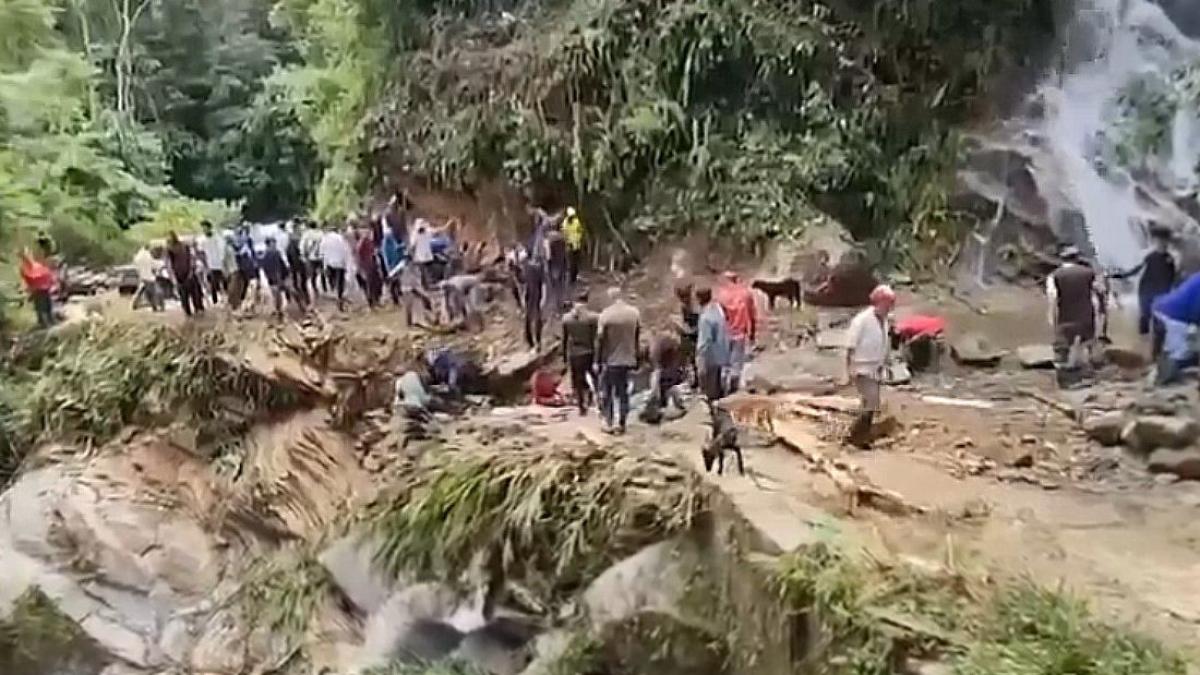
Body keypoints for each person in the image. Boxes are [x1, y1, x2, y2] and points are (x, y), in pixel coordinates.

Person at [1112, 228, 1178, 358]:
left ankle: (1155, 354)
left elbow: (1173, 278)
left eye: (1163, 241)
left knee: (1159, 323)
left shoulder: (1169, 259)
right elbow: (1136, 270)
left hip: (1161, 293)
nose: (1161, 244)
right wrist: (1119, 276)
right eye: (1159, 241)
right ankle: (1141, 351)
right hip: (1147, 291)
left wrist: (1172, 293)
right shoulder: (1151, 257)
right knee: (1145, 319)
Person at [843, 285, 895, 449]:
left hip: (875, 367)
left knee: (870, 403)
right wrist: (849, 368)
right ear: (878, 303)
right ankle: (853, 436)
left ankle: (861, 437)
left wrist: (886, 364)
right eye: (887, 305)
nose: (888, 308)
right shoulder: (862, 320)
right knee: (872, 402)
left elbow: (883, 344)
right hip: (862, 367)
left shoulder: (884, 321)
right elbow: (850, 345)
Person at [1046, 247, 1103, 369]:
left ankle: (1065, 377)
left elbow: (1053, 299)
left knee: (1062, 349)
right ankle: (1088, 372)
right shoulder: (1089, 273)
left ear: (1061, 259)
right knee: (1087, 345)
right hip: (1086, 317)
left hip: (1065, 318)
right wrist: (1101, 313)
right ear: (1077, 258)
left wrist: (1052, 317)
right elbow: (1099, 292)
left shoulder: (1054, 276)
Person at [596, 287, 641, 434]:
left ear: (610, 298)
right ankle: (622, 423)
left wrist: (598, 360)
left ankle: (609, 421)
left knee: (607, 391)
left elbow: (600, 340)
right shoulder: (634, 313)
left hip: (611, 360)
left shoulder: (606, 315)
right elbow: (637, 337)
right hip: (628, 359)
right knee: (623, 392)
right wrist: (637, 356)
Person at [1152, 271, 1200, 384]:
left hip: (1166, 310)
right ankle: (1162, 380)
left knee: (1186, 349)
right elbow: (1196, 309)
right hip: (1173, 316)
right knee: (1180, 352)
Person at [716, 271, 757, 393]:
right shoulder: (746, 294)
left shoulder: (721, 295)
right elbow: (752, 314)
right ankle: (733, 392)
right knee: (737, 366)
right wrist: (752, 333)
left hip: (724, 334)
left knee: (724, 365)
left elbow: (719, 316)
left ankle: (722, 392)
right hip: (740, 333)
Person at [561, 290, 599, 415]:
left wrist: (564, 357)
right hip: (589, 351)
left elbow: (565, 339)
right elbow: (596, 338)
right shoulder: (592, 317)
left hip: (574, 353)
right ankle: (599, 400)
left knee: (577, 380)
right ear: (586, 301)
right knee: (594, 378)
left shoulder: (566, 318)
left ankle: (581, 406)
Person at [695, 286, 730, 403]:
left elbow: (704, 342)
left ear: (699, 299)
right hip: (722, 353)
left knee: (710, 392)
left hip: (710, 359)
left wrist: (699, 360)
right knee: (719, 387)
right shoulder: (718, 309)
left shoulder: (705, 318)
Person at [166, 231, 204, 317]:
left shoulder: (184, 246)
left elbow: (191, 258)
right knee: (186, 298)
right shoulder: (170, 250)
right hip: (180, 276)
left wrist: (191, 270)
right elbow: (169, 264)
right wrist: (173, 278)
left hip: (187, 274)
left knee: (195, 296)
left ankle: (197, 312)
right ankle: (191, 314)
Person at [20, 249, 56, 328]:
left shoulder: (37, 266)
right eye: (26, 256)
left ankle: (50, 322)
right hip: (38, 291)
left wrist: (51, 282)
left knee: (48, 307)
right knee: (41, 308)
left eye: (28, 255)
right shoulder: (25, 268)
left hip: (44, 289)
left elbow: (47, 274)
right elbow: (27, 278)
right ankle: (44, 324)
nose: (28, 257)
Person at [320, 224, 351, 310]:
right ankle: (339, 296)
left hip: (330, 264)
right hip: (340, 263)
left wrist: (324, 265)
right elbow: (346, 251)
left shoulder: (325, 239)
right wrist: (346, 263)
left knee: (333, 281)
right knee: (340, 282)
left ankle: (336, 293)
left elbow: (322, 253)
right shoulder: (340, 238)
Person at [674, 282, 699, 385]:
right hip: (692, 334)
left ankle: (693, 379)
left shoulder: (691, 308)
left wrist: (682, 329)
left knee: (692, 358)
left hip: (693, 336)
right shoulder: (687, 306)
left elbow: (693, 325)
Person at [197, 220, 226, 304]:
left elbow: (222, 250)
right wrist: (204, 263)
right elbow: (200, 253)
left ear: (210, 228)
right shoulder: (202, 240)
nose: (205, 230)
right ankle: (215, 300)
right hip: (210, 265)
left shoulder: (217, 238)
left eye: (206, 228)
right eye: (203, 229)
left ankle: (225, 298)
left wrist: (222, 261)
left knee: (224, 282)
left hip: (220, 264)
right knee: (213, 283)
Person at [522, 254, 546, 350]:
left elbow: (542, 285)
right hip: (533, 297)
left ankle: (534, 342)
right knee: (533, 320)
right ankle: (534, 342)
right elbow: (525, 284)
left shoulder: (532, 269)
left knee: (533, 320)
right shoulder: (533, 269)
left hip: (534, 297)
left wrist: (543, 298)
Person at [381, 218, 407, 306]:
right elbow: (391, 252)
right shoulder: (386, 242)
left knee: (396, 281)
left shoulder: (389, 240)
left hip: (395, 263)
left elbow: (396, 249)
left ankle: (397, 298)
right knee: (393, 282)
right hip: (392, 264)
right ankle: (395, 300)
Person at [544, 223, 569, 315]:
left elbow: (548, 256)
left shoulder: (549, 240)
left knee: (553, 288)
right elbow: (566, 252)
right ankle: (561, 305)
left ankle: (555, 308)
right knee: (561, 286)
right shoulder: (562, 238)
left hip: (553, 265)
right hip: (562, 264)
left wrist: (547, 265)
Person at [355, 226, 382, 308]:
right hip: (366, 266)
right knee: (370, 284)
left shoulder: (370, 241)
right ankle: (371, 302)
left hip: (373, 265)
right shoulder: (362, 242)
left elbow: (373, 252)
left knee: (377, 283)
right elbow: (358, 254)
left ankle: (376, 300)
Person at [132, 245, 165, 312]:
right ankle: (161, 307)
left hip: (143, 278)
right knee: (158, 292)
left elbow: (137, 267)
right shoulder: (147, 255)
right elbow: (153, 264)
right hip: (149, 278)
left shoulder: (138, 257)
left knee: (145, 293)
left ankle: (135, 305)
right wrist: (162, 264)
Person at [301, 221, 325, 297]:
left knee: (311, 275)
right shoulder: (321, 233)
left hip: (310, 257)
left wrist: (303, 254)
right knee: (320, 273)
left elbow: (302, 245)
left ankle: (313, 289)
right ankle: (322, 287)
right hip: (320, 256)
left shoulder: (306, 234)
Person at [563, 206, 585, 283]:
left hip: (576, 245)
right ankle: (570, 278)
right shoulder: (565, 222)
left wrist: (579, 238)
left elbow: (580, 231)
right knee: (570, 262)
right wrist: (567, 242)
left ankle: (574, 277)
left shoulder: (576, 221)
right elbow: (564, 233)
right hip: (570, 244)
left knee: (575, 262)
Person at [411, 219, 436, 289]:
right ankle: (426, 286)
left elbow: (412, 246)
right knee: (424, 272)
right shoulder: (416, 234)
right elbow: (413, 246)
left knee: (425, 272)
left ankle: (427, 285)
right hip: (421, 256)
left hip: (424, 256)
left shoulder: (426, 232)